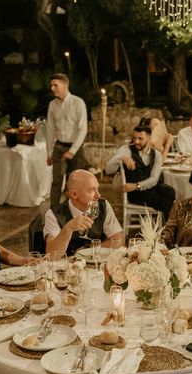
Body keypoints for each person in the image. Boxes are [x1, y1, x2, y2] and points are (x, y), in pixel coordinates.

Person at [44, 169, 124, 257]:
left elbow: (119, 240)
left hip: (96, 266)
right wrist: (68, 228)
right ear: (74, 195)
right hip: (67, 267)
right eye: (91, 190)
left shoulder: (103, 206)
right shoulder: (54, 214)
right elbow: (51, 255)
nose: (98, 195)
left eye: (97, 188)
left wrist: (90, 249)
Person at [105, 125, 176, 220]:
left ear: (149, 138)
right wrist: (121, 157)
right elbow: (108, 170)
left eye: (140, 138)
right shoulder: (127, 150)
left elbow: (154, 179)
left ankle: (167, 225)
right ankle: (169, 227)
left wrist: (137, 185)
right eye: (134, 138)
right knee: (163, 201)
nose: (136, 142)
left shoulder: (157, 154)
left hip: (145, 186)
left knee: (170, 191)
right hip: (134, 193)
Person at [46, 73, 89, 209]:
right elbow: (50, 129)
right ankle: (53, 212)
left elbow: (83, 129)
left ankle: (77, 209)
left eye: (55, 85)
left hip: (75, 149)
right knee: (56, 182)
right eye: (51, 85)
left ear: (65, 85)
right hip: (59, 147)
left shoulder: (78, 103)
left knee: (78, 183)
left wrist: (72, 151)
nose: (52, 88)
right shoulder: (52, 105)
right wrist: (49, 152)